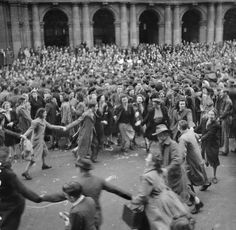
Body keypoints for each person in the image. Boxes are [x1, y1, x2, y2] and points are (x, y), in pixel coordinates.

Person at [41, 158, 132, 230]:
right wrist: (131, 197)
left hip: (83, 217)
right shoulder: (98, 180)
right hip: (96, 216)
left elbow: (59, 196)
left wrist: (42, 198)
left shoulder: (77, 184)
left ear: (80, 169)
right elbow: (116, 190)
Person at [131, 153, 189, 230]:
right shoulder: (162, 171)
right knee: (171, 220)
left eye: (148, 158)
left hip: (157, 202)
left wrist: (134, 202)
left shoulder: (147, 176)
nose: (146, 159)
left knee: (161, 223)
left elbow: (143, 195)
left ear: (153, 162)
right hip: (169, 198)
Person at [0, 146, 41, 230]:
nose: (10, 160)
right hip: (13, 205)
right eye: (9, 157)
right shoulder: (8, 174)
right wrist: (39, 198)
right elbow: (23, 190)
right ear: (3, 159)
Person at [178, 120, 211, 214]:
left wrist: (177, 164)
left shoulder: (183, 138)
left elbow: (181, 155)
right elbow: (198, 137)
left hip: (192, 163)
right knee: (199, 175)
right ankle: (205, 183)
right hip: (198, 159)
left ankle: (196, 202)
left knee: (186, 182)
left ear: (179, 128)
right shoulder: (191, 132)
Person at [22, 108, 65, 180]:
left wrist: (60, 127)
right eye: (44, 113)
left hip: (41, 140)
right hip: (36, 141)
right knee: (34, 157)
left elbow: (51, 126)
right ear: (41, 114)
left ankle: (44, 164)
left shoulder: (43, 120)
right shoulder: (35, 122)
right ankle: (26, 171)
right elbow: (30, 129)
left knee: (44, 151)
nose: (46, 114)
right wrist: (24, 135)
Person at [152, 124, 189, 202]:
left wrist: (166, 169)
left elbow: (177, 160)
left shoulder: (173, 144)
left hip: (176, 175)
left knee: (179, 197)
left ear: (164, 135)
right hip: (170, 176)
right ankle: (197, 202)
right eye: (158, 135)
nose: (158, 137)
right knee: (180, 193)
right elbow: (160, 157)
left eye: (159, 135)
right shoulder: (161, 144)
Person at [194, 110, 221, 184]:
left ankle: (214, 176)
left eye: (213, 115)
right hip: (205, 143)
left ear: (215, 116)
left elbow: (210, 134)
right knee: (203, 157)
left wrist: (200, 139)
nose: (211, 116)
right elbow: (199, 127)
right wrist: (192, 131)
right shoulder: (204, 120)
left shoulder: (216, 124)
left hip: (213, 144)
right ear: (208, 115)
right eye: (210, 114)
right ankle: (206, 162)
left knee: (214, 160)